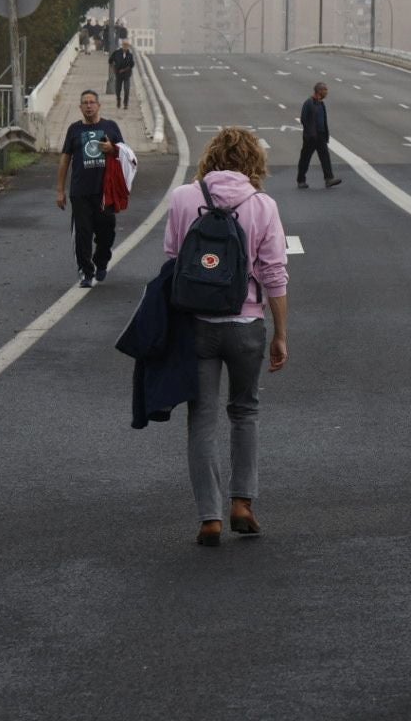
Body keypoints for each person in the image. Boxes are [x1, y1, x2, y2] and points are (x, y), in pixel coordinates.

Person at [163, 127, 288, 547]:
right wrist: (281, 334)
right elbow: (274, 273)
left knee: (201, 419)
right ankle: (242, 504)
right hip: (247, 323)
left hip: (197, 324)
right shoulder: (263, 205)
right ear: (253, 161)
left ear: (210, 157)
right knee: (245, 412)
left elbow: (172, 262)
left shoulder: (184, 198)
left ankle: (209, 518)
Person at [56, 90, 124, 288]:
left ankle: (101, 261)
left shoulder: (110, 127)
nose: (88, 106)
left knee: (107, 230)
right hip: (80, 191)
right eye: (85, 103)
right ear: (80, 107)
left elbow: (125, 154)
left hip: (105, 191)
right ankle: (86, 272)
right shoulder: (74, 130)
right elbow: (65, 159)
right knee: (82, 234)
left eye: (92, 102)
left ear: (99, 105)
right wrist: (60, 190)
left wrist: (112, 149)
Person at [296, 81, 340, 189]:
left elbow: (323, 120)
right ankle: (301, 180)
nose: (327, 92)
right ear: (319, 91)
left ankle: (329, 179)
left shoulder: (321, 103)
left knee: (325, 157)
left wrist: (325, 134)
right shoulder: (309, 103)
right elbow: (303, 119)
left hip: (321, 136)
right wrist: (310, 133)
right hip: (311, 137)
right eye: (325, 90)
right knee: (305, 158)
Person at [109, 39, 136, 110]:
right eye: (124, 45)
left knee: (126, 89)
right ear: (122, 45)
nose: (126, 46)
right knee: (118, 89)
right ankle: (118, 99)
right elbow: (110, 61)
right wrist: (113, 68)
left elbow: (132, 64)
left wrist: (125, 69)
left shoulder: (130, 55)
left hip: (127, 75)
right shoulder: (116, 53)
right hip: (118, 74)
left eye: (127, 45)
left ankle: (125, 104)